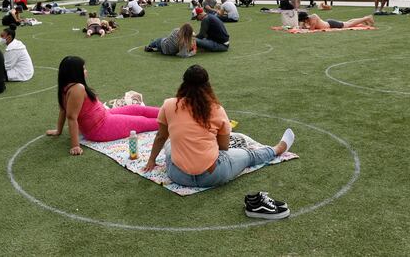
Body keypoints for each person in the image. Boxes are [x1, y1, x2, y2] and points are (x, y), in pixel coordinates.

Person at [144, 65, 295, 190]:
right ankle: (277, 150)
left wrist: (151, 160)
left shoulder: (169, 104)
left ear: (183, 84)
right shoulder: (216, 109)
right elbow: (223, 147)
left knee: (170, 144)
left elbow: (161, 137)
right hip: (213, 175)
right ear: (207, 85)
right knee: (249, 155)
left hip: (179, 176)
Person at [45, 56, 160, 154]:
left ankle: (169, 110)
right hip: (100, 127)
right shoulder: (77, 89)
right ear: (75, 72)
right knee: (143, 121)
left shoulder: (66, 86)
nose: (86, 71)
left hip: (104, 115)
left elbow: (63, 111)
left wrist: (58, 131)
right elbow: (71, 117)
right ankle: (173, 118)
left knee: (136, 109)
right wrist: (75, 145)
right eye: (83, 68)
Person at [298, 11, 375, 30]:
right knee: (348, 22)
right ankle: (364, 18)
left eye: (302, 20)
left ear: (304, 18)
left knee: (348, 24)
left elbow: (311, 29)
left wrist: (303, 27)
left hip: (331, 24)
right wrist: (303, 26)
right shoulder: (309, 18)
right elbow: (305, 26)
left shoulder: (313, 18)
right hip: (329, 23)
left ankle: (366, 18)